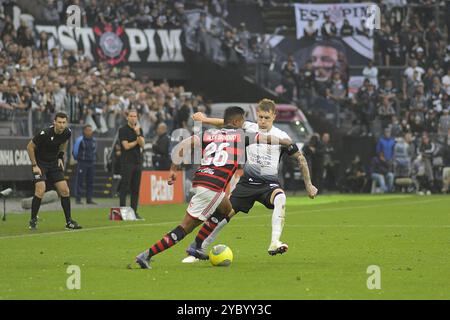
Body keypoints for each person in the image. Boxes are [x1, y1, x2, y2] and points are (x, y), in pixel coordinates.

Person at [134, 106, 295, 269]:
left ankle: (196, 246)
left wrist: (173, 170)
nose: (243, 124)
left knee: (226, 208)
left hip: (201, 181)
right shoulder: (242, 136)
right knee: (185, 227)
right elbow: (267, 139)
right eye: (242, 121)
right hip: (213, 186)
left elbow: (183, 144)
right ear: (237, 121)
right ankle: (147, 255)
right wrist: (286, 142)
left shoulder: (207, 134)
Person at [183, 99, 318, 262]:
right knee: (223, 215)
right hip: (246, 182)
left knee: (280, 197)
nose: (262, 121)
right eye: (260, 117)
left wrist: (309, 185)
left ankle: (274, 242)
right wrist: (204, 120)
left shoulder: (282, 136)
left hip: (269, 184)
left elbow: (301, 159)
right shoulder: (248, 127)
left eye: (266, 118)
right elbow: (226, 123)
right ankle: (198, 249)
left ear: (274, 116)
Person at [26, 112, 82, 230]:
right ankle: (33, 220)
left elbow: (64, 142)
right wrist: (34, 165)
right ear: (54, 122)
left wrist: (61, 156)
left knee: (65, 190)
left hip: (53, 163)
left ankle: (69, 222)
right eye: (59, 122)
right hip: (40, 163)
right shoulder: (45, 133)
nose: (62, 125)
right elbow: (30, 147)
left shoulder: (67, 132)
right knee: (40, 189)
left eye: (64, 122)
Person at [119, 110, 145, 220]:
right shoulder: (123, 130)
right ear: (127, 118)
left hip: (137, 162)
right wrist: (136, 141)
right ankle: (122, 211)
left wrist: (138, 134)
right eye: (131, 116)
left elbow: (143, 144)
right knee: (125, 187)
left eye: (135, 116)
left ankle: (134, 211)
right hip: (127, 162)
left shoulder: (139, 130)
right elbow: (126, 146)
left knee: (135, 188)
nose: (133, 118)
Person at [73, 124, 97, 205]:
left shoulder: (94, 140)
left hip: (91, 163)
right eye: (88, 130)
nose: (90, 131)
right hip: (82, 163)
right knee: (80, 181)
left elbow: (94, 150)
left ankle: (89, 199)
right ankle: (78, 199)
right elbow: (75, 151)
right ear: (84, 131)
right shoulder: (80, 140)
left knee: (90, 182)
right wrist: (78, 159)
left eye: (91, 130)